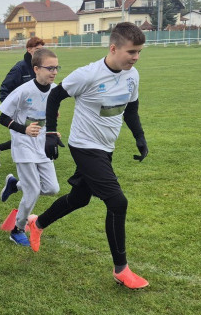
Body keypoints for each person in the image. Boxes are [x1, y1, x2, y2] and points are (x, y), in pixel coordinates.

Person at [28, 22, 150, 289]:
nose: (136, 57)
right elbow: (54, 97)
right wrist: (51, 134)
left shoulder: (133, 75)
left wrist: (139, 137)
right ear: (114, 48)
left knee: (80, 198)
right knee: (117, 202)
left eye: (139, 52)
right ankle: (121, 269)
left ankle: (37, 224)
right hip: (84, 146)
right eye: (131, 51)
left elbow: (131, 109)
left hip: (106, 148)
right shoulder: (88, 75)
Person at [0, 48, 61, 247]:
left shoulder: (55, 90)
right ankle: (17, 229)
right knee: (32, 190)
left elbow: (51, 115)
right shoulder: (23, 91)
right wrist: (23, 129)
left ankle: (15, 184)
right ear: (36, 69)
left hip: (42, 143)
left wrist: (52, 132)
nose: (54, 72)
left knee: (52, 188)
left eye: (56, 67)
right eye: (49, 68)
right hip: (23, 144)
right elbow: (2, 117)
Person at [0, 37, 46, 167]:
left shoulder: (40, 67)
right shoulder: (20, 68)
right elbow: (4, 89)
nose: (40, 53)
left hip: (35, 110)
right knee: (27, 135)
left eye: (42, 50)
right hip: (20, 111)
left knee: (31, 134)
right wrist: (10, 109)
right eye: (37, 50)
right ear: (29, 49)